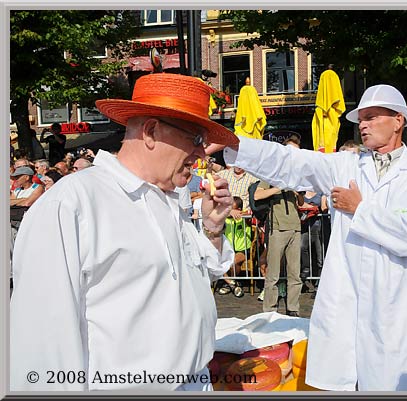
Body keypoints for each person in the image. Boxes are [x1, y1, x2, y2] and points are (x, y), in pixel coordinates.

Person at [10, 73, 239, 391]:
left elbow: (195, 279)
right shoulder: (73, 203)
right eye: (196, 139)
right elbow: (43, 344)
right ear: (151, 131)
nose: (203, 155)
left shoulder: (170, 198)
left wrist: (213, 228)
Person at [212, 83, 407, 390]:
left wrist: (358, 209)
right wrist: (236, 144)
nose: (363, 124)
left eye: (373, 117)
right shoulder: (344, 165)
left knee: (392, 386)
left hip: (394, 307)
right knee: (342, 385)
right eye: (361, 118)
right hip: (345, 301)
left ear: (398, 121)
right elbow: (291, 161)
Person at [254, 137, 304, 317]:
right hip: (277, 226)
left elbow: (300, 202)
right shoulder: (272, 173)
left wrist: (298, 193)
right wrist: (280, 188)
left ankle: (293, 309)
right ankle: (270, 310)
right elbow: (258, 195)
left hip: (295, 227)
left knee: (294, 273)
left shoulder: (296, 173)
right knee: (273, 273)